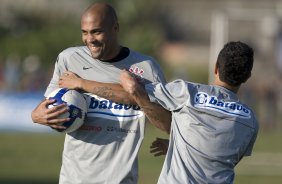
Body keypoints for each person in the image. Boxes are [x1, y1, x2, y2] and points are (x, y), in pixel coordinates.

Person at [31, 2, 170, 184]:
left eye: (96, 31)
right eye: (84, 32)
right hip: (73, 179)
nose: (90, 39)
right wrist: (37, 115)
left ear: (115, 28)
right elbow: (49, 104)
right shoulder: (70, 59)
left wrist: (82, 83)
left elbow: (167, 123)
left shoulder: (146, 68)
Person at [119, 41, 259, 184]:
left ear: (216, 67)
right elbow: (225, 158)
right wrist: (182, 145)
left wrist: (121, 75)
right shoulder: (250, 121)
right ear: (248, 76)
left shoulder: (187, 92)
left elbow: (136, 90)